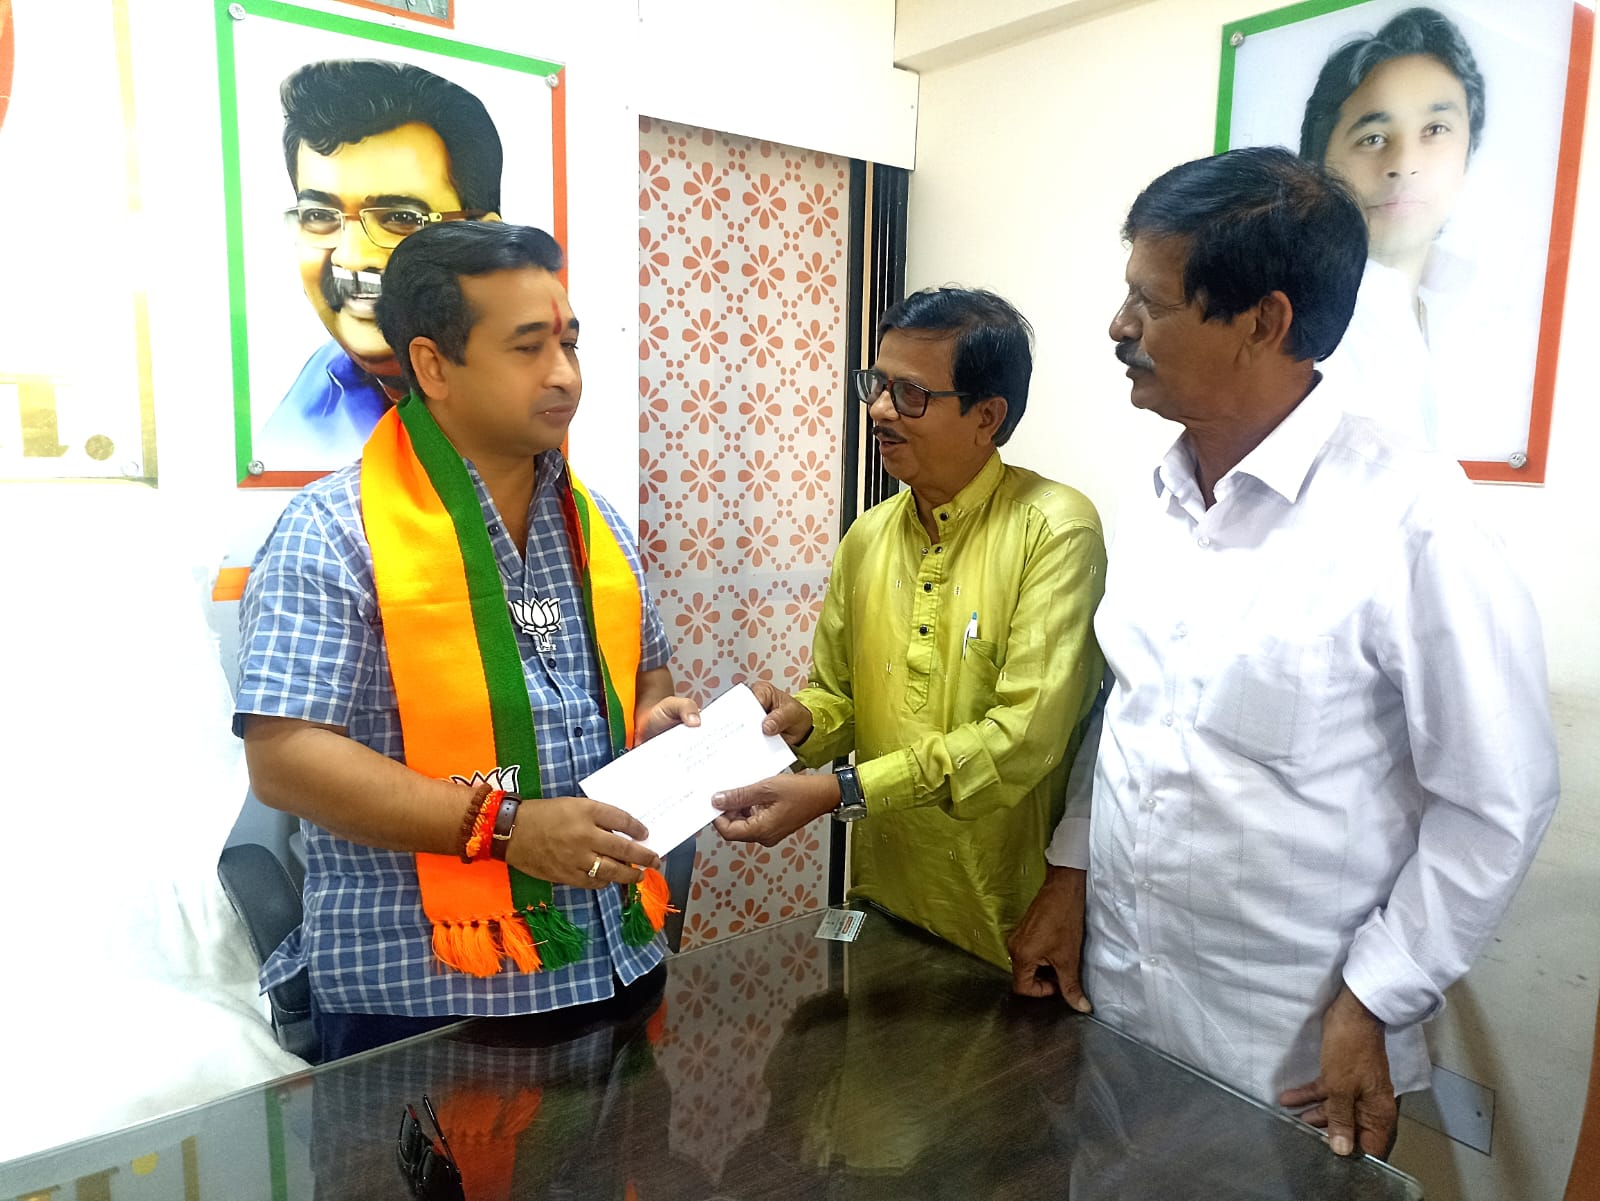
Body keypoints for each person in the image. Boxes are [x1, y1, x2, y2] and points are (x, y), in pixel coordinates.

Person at [1008, 147, 1558, 1160]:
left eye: (1150, 302)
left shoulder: (1413, 522)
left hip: (1290, 1048)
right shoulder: (1160, 498)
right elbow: (1129, 712)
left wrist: (1379, 992)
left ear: (1262, 321)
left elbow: (1497, 801)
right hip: (1123, 1000)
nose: (1119, 326)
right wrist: (1068, 873)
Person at [235, 220, 695, 1063]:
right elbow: (286, 758)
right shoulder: (332, 532)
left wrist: (657, 727)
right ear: (433, 364)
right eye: (528, 348)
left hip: (620, 964)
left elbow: (646, 681)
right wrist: (510, 828)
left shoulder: (597, 526)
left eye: (569, 343)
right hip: (434, 1002)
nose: (565, 374)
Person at [712, 288, 1107, 970]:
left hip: (1008, 925)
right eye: (877, 385)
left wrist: (843, 791)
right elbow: (841, 698)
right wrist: (800, 722)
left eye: (911, 395)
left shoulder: (1054, 529)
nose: (879, 410)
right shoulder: (868, 536)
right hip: (884, 904)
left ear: (987, 416)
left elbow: (1021, 741)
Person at [255, 59, 503, 469]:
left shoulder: (537, 390)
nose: (351, 256)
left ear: (486, 239)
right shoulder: (304, 420)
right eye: (319, 216)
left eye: (400, 218)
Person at [1298, 7, 1486, 450]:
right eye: (1373, 138)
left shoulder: (1485, 307)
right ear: (1318, 165)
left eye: (1435, 129)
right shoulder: (1294, 326)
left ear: (1467, 154)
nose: (1404, 164)